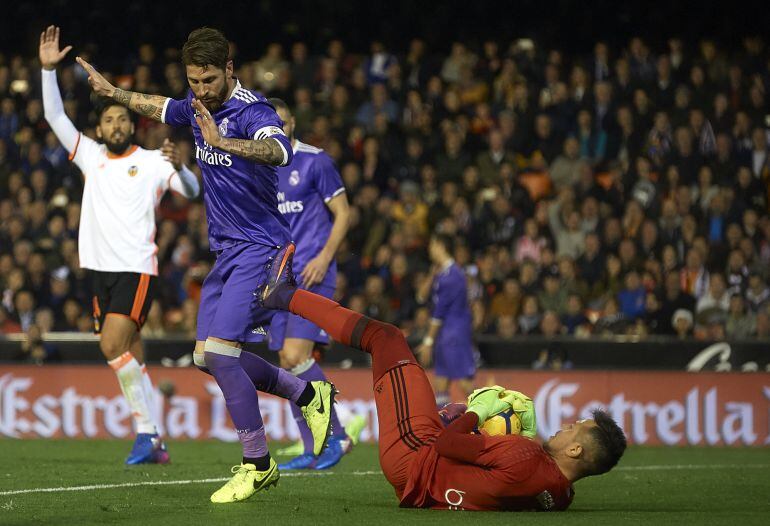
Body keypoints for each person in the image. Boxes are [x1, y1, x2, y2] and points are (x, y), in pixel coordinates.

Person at [76, 27, 334, 503]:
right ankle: (308, 395)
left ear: (229, 70)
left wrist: (226, 141)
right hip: (228, 251)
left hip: (262, 247)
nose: (201, 91)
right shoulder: (196, 105)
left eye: (209, 80)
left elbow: (278, 150)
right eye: (194, 81)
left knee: (220, 353)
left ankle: (257, 462)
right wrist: (114, 92)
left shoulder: (253, 111)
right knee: (204, 357)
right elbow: (161, 106)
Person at [259, 269, 627, 511]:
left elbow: (447, 445)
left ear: (576, 449)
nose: (566, 425)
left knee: (385, 337)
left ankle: (283, 295)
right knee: (450, 409)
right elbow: (509, 477)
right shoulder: (560, 495)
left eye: (574, 427)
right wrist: (524, 434)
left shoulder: (528, 461)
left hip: (414, 454)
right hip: (425, 482)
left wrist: (479, 410)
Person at [40, 26, 202, 465]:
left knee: (112, 345)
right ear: (100, 128)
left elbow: (189, 192)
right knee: (129, 351)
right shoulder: (90, 157)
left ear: (133, 124)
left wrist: (181, 168)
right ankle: (154, 439)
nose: (116, 125)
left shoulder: (151, 162)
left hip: (136, 267)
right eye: (109, 120)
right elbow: (55, 118)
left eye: (122, 119)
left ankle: (147, 433)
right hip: (99, 270)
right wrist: (46, 71)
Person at [267, 98, 365, 470]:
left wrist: (324, 258)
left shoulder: (315, 161)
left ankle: (336, 435)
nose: (280, 129)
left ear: (293, 124)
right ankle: (312, 447)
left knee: (295, 356)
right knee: (285, 362)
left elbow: (344, 213)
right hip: (277, 278)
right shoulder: (261, 167)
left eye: (285, 123)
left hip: (311, 273)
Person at [416, 233, 475, 406]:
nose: (429, 249)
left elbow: (439, 313)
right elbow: (420, 297)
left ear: (440, 246)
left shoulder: (452, 276)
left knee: (465, 383)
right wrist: (431, 275)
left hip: (454, 334)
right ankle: (444, 428)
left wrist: (428, 341)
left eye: (432, 245)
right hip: (445, 335)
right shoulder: (441, 273)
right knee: (441, 381)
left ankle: (491, 421)